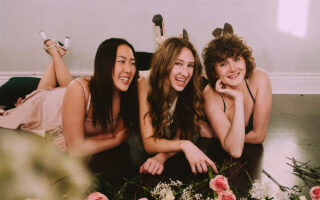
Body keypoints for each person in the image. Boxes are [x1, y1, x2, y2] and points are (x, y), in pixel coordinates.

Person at [0, 35, 139, 156]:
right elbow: (77, 149)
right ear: (105, 64)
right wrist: (115, 140)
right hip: (48, 109)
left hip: (68, 97)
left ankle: (55, 54)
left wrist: (87, 142)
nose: (129, 69)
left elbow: (122, 132)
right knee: (43, 95)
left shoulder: (127, 94)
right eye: (121, 61)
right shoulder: (79, 88)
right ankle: (55, 53)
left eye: (132, 63)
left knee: (52, 89)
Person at [138, 36, 218, 175]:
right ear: (164, 63)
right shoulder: (144, 84)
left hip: (175, 138)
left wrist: (162, 157)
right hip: (141, 144)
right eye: (178, 63)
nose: (185, 73)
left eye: (190, 65)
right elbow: (149, 143)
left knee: (211, 134)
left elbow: (181, 134)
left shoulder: (190, 87)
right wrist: (186, 145)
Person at [201, 24, 272, 158]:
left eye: (237, 59)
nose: (233, 68)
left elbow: (258, 137)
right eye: (223, 64)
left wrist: (216, 134)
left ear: (245, 60)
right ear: (215, 72)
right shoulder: (209, 94)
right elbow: (235, 151)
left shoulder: (260, 78)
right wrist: (239, 100)